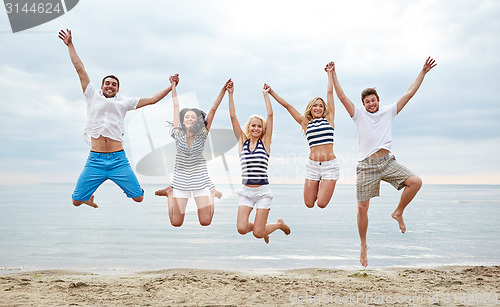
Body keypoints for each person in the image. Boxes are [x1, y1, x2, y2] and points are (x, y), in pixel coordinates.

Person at [331, 57, 437, 267]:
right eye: (367, 101)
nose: (371, 104)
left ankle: (398, 212)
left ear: (378, 100)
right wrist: (333, 74)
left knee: (415, 181)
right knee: (362, 208)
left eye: (374, 100)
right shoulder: (358, 114)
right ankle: (363, 245)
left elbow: (409, 93)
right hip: (367, 166)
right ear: (363, 104)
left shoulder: (389, 111)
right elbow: (342, 97)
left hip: (387, 162)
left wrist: (423, 72)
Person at [59, 29, 178, 208]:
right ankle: (88, 197)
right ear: (101, 86)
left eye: (114, 85)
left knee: (138, 198)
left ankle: (126, 185)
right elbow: (80, 69)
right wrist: (70, 45)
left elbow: (153, 100)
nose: (110, 86)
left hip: (118, 159)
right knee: (76, 202)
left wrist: (171, 86)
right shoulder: (92, 94)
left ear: (117, 89)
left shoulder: (124, 102)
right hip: (95, 159)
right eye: (107, 83)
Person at [267, 62, 340, 208]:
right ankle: (319, 182)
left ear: (324, 108)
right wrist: (271, 92)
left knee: (321, 203)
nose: (318, 107)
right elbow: (287, 106)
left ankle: (325, 182)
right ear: (310, 108)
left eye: (321, 105)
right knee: (309, 204)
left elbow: (330, 93)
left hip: (329, 166)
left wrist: (329, 74)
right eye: (315, 105)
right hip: (312, 166)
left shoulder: (329, 119)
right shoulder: (305, 122)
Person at [154, 78, 225, 227]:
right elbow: (175, 105)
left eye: (194, 116)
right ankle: (169, 193)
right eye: (187, 116)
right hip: (180, 182)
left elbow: (213, 109)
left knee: (205, 222)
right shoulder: (177, 133)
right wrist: (173, 86)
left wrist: (223, 90)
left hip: (200, 181)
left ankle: (211, 193)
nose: (190, 118)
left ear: (197, 120)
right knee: (176, 223)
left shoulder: (202, 134)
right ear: (183, 120)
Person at [227, 80, 291, 243]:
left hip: (262, 192)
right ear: (248, 127)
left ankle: (277, 225)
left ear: (263, 129)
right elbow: (233, 117)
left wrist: (266, 95)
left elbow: (270, 115)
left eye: (259, 126)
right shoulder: (243, 141)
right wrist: (230, 94)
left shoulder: (266, 142)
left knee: (257, 233)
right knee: (241, 229)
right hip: (246, 192)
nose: (256, 128)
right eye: (253, 126)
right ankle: (262, 228)